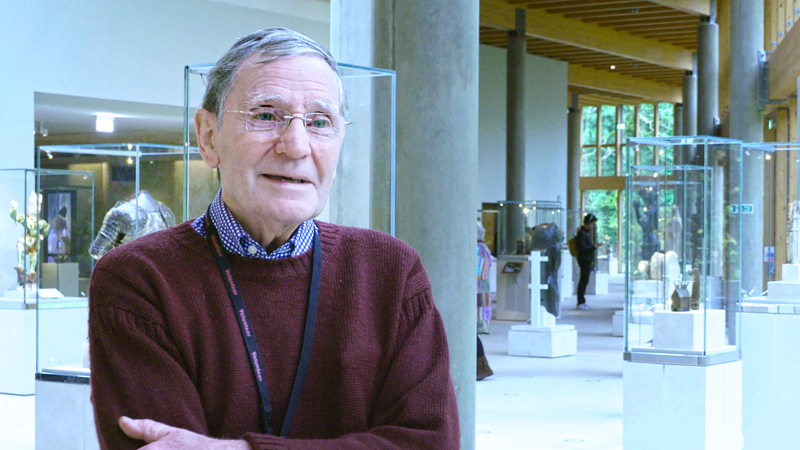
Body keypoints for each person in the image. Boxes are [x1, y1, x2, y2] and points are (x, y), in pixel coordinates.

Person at [88, 27, 459, 450]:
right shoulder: (138, 280)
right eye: (265, 115)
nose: (296, 145)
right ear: (209, 138)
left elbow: (432, 443)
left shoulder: (392, 272)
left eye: (320, 122)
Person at [476, 220, 493, 380]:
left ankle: (482, 367)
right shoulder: (482, 249)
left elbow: (476, 271)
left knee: (472, 332)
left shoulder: (479, 250)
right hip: (478, 293)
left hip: (477, 294)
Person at [575, 213, 602, 310]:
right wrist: (594, 247)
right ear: (588, 223)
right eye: (592, 224)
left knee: (584, 281)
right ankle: (580, 301)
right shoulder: (582, 233)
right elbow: (582, 248)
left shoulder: (585, 233)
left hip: (586, 259)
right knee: (583, 281)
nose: (593, 226)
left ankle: (581, 301)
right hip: (584, 260)